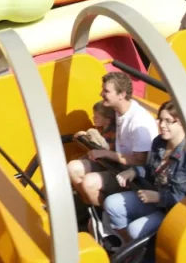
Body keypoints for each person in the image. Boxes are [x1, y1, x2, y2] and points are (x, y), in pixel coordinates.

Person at [104, 103, 186, 244]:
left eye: (169, 121)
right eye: (160, 119)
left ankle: (142, 250)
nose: (162, 125)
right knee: (111, 203)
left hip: (172, 211)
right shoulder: (159, 142)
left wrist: (159, 197)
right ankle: (128, 246)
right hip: (153, 198)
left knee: (135, 230)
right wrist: (134, 171)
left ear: (183, 123)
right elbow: (150, 169)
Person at [67, 71, 159, 207]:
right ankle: (91, 207)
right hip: (116, 165)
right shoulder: (117, 111)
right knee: (72, 168)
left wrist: (105, 153)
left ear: (121, 95)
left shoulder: (139, 123)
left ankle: (106, 218)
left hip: (134, 176)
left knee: (89, 182)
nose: (101, 94)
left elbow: (141, 161)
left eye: (106, 91)